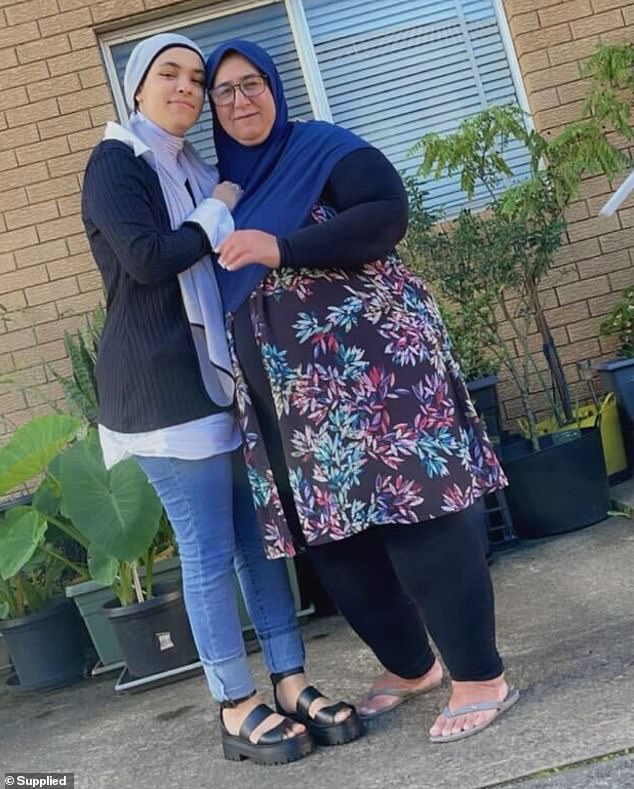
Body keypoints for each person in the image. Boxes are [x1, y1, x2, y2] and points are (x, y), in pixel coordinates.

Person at [205, 39, 520, 744]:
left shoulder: (321, 148)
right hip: (295, 405)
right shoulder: (221, 191)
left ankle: (481, 676)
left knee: (421, 520)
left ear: (275, 87)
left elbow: (386, 214)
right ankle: (412, 667)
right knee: (337, 546)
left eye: (251, 83)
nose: (240, 101)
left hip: (378, 378)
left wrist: (278, 247)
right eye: (223, 92)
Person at [81, 32, 363, 766]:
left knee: (254, 539)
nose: (187, 87)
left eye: (196, 78)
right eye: (168, 74)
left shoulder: (190, 165)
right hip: (159, 389)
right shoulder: (117, 162)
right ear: (136, 87)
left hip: (214, 378)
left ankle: (291, 680)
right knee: (208, 550)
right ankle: (234, 704)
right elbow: (149, 260)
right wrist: (222, 205)